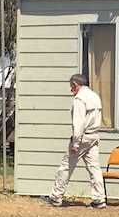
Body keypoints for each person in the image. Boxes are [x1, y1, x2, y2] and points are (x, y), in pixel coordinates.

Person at [40, 73, 106, 209]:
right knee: (94, 168)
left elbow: (78, 123)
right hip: (94, 136)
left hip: (82, 137)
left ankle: (55, 197)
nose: (71, 91)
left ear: (76, 85)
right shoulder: (94, 96)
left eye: (71, 87)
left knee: (66, 166)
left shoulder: (79, 99)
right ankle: (99, 199)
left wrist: (75, 143)